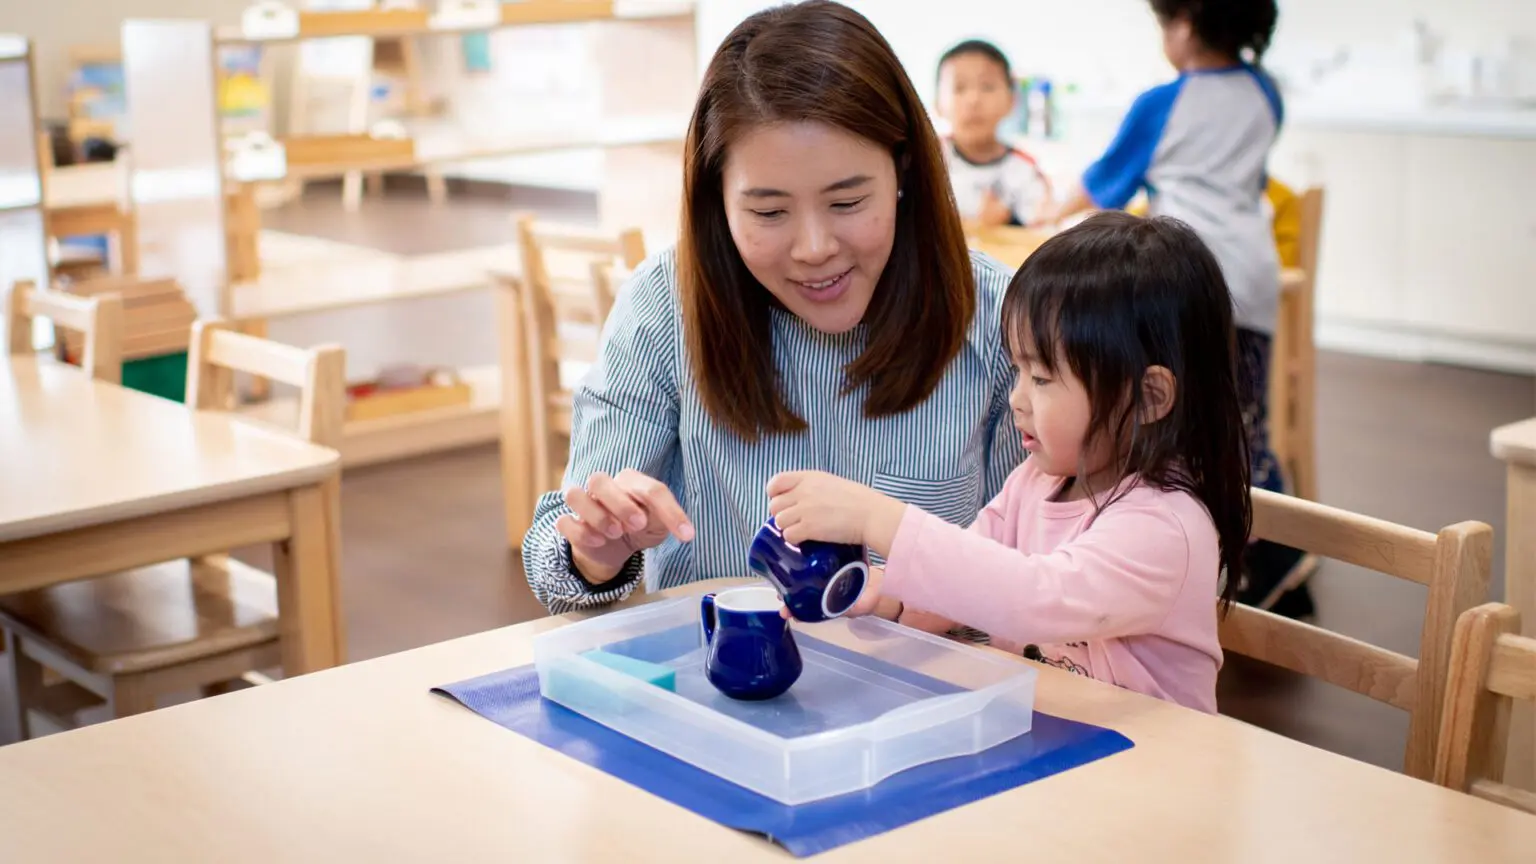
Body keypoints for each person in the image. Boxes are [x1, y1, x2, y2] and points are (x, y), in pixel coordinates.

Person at [521, 0, 1025, 614]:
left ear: (903, 172)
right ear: (718, 201)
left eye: (846, 202)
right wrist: (597, 551)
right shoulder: (666, 304)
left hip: (932, 694)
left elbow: (1039, 573)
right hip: (718, 695)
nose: (815, 249)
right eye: (768, 213)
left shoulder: (996, 316)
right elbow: (558, 553)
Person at [766, 212, 1253, 714]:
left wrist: (876, 518)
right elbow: (970, 579)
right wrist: (886, 597)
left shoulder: (1166, 526)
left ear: (1149, 397)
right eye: (1017, 369)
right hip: (1053, 742)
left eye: (1041, 378)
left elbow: (1034, 600)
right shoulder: (1037, 482)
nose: (1018, 398)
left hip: (1156, 768)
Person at [1034, 0, 1309, 617]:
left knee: (1180, 423)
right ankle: (1276, 555)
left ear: (1184, 23)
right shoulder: (1264, 92)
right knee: (1243, 423)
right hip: (1253, 276)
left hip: (1184, 279)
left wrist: (1044, 214)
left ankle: (1235, 565)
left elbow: (1106, 183)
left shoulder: (1165, 102)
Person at [934, 39, 1052, 228]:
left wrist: (1008, 222)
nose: (973, 100)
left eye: (987, 87)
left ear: (1011, 100)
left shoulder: (1025, 170)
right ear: (937, 104)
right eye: (959, 88)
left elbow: (1041, 230)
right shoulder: (925, 159)